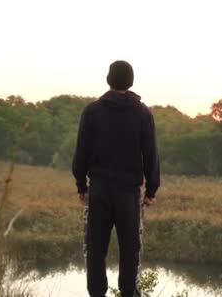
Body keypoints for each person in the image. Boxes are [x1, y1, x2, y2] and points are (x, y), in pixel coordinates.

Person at [72, 60, 160, 297]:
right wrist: (151, 190)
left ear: (108, 80)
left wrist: (81, 185)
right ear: (131, 82)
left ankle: (97, 294)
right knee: (130, 249)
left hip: (99, 190)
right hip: (129, 194)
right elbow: (151, 154)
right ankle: (128, 293)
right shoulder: (143, 113)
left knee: (95, 249)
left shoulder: (92, 111)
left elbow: (81, 153)